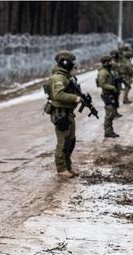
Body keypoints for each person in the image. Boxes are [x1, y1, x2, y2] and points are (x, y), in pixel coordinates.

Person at [47, 50, 81, 179]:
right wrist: (75, 98)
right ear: (65, 62)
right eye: (70, 62)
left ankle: (68, 166)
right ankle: (61, 168)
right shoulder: (58, 77)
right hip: (60, 114)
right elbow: (58, 95)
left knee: (71, 141)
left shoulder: (66, 76)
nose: (72, 64)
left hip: (68, 113)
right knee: (63, 142)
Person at [97, 55, 120, 138]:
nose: (112, 62)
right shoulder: (103, 72)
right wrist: (113, 87)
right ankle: (108, 132)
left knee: (112, 113)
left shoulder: (108, 70)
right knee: (109, 114)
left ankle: (110, 130)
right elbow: (102, 84)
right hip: (107, 95)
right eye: (110, 61)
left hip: (111, 94)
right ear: (106, 62)